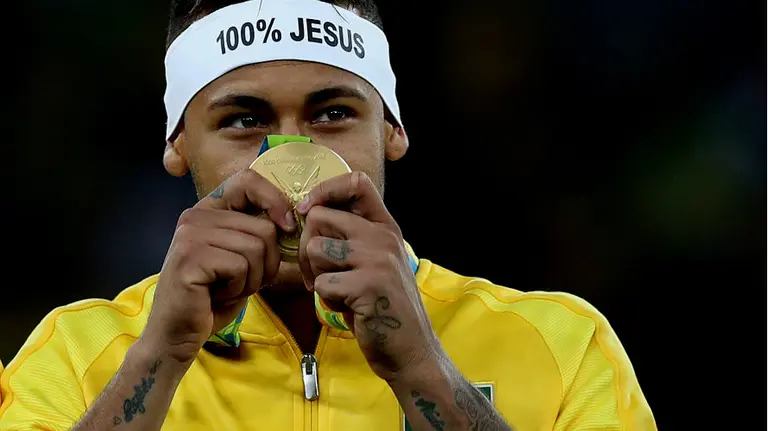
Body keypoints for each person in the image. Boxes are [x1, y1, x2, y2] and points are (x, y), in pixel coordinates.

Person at [0, 0, 657, 430]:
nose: (291, 159)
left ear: (393, 129)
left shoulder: (562, 345)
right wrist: (159, 359)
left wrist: (424, 371)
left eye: (331, 114)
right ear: (178, 144)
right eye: (244, 120)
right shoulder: (74, 355)